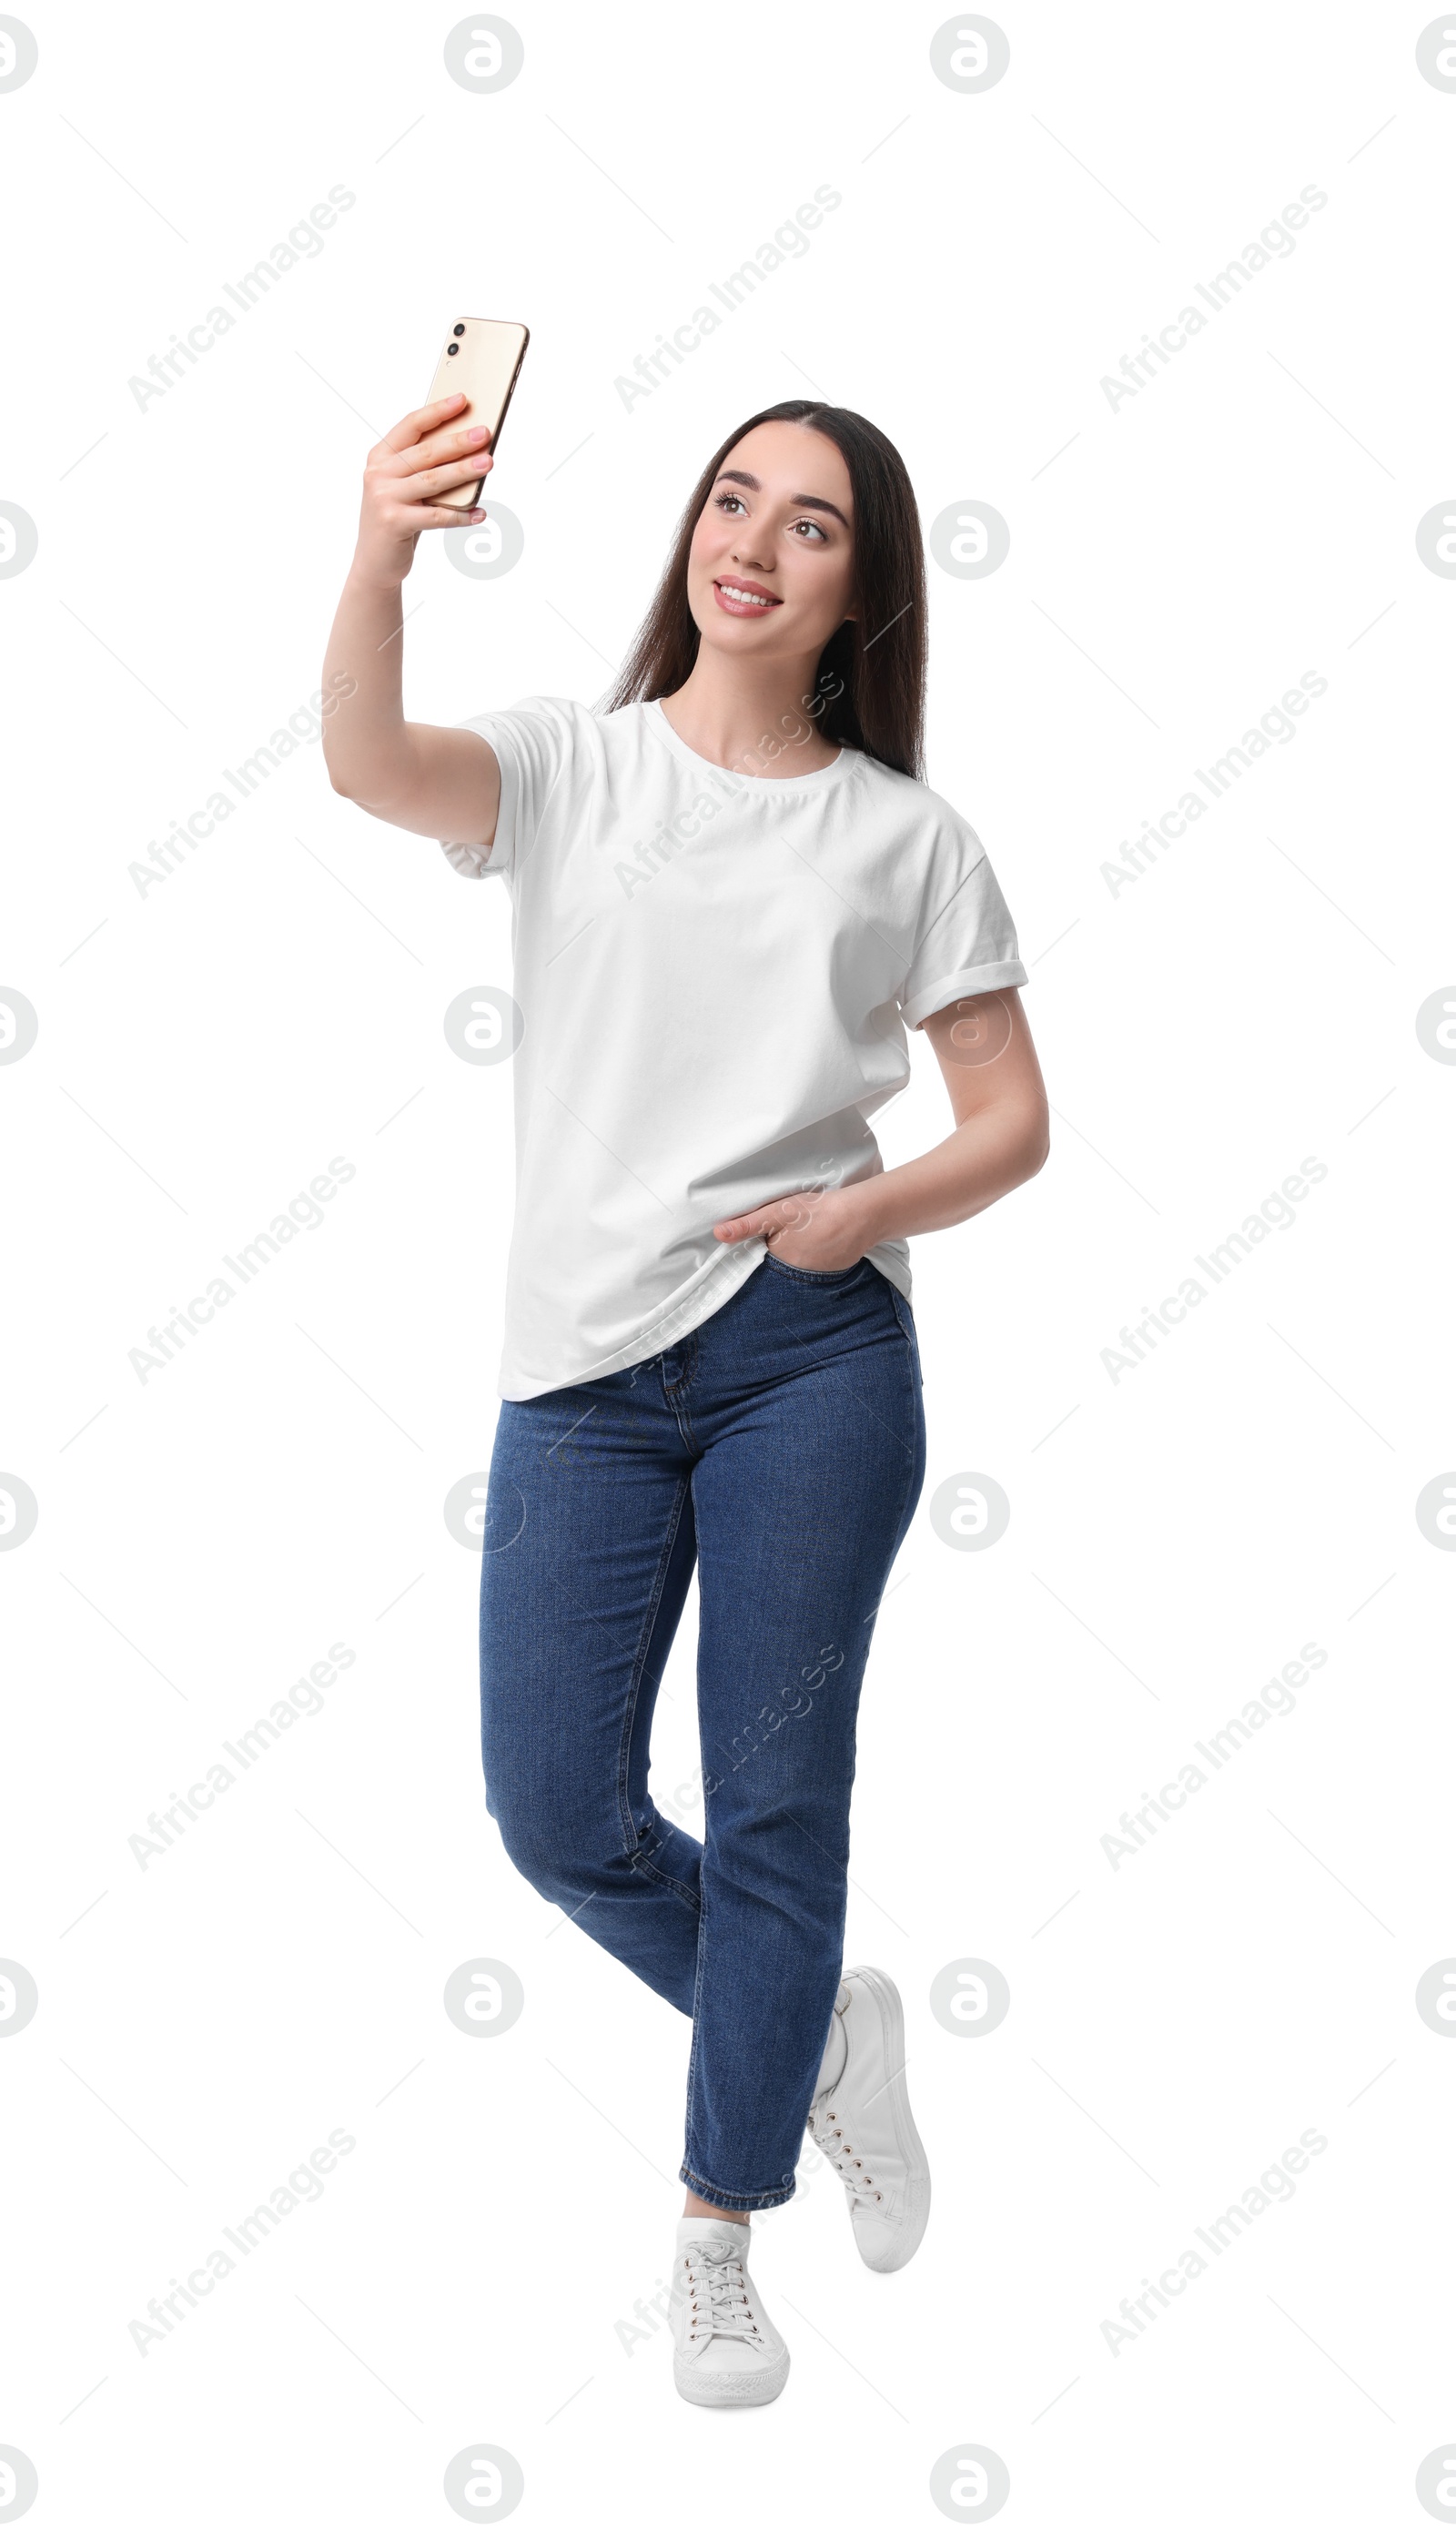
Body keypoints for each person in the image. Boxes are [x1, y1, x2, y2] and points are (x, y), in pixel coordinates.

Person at [321, 391, 1049, 2408]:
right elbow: (366, 762)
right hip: (583, 1367)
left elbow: (1010, 1124)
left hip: (807, 1362)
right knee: (552, 1812)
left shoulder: (904, 839)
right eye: (732, 500)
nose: (752, 541)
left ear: (858, 591)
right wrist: (382, 547)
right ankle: (811, 2035)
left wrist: (861, 1212)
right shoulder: (568, 766)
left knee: (773, 1802)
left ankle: (715, 2232)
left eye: (807, 526)